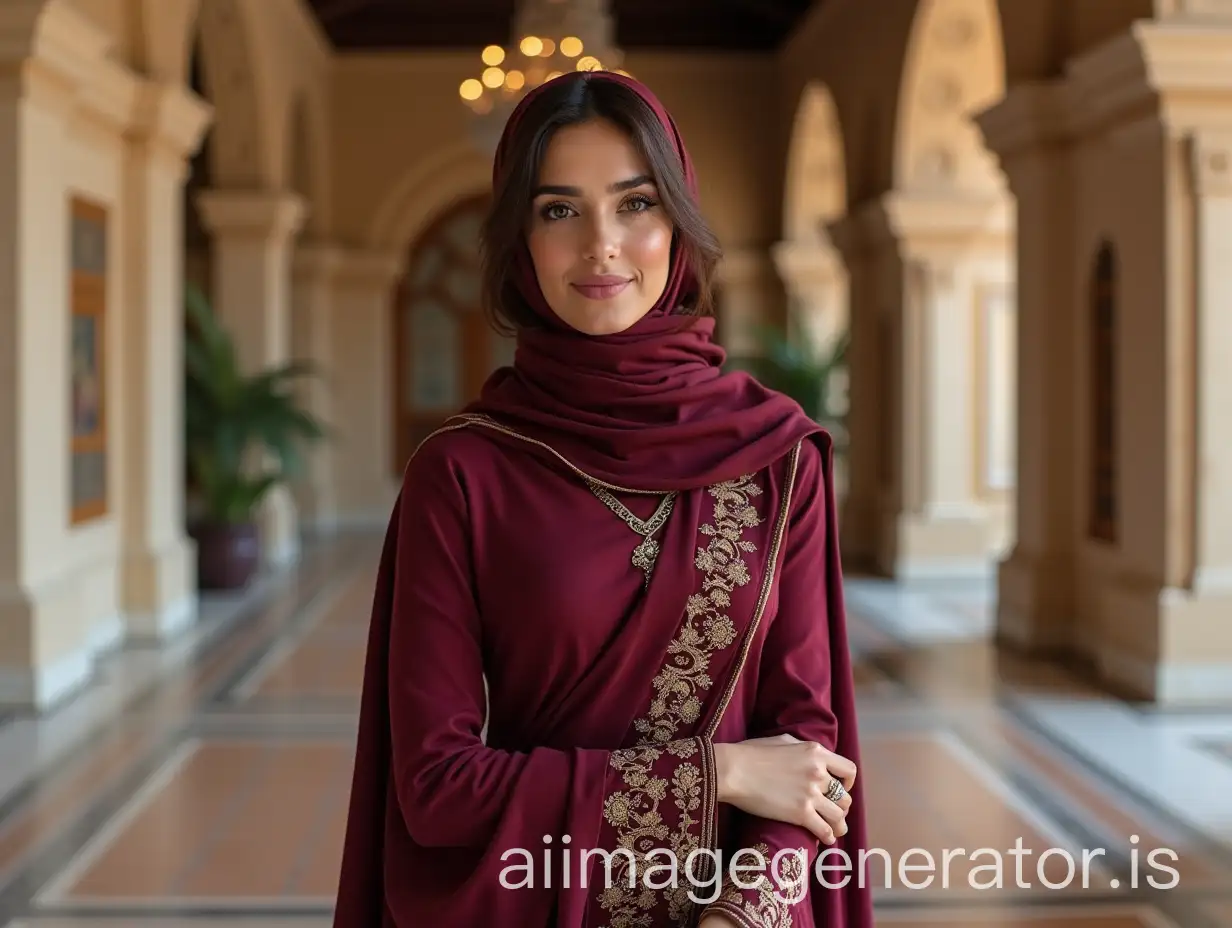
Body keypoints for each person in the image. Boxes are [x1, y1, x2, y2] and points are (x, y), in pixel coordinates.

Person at [333, 70, 874, 928]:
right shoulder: (465, 470)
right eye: (559, 210)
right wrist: (718, 774)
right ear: (520, 239)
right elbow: (434, 789)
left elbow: (811, 761)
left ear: (678, 224)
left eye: (636, 204)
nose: (601, 246)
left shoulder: (775, 457)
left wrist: (744, 912)